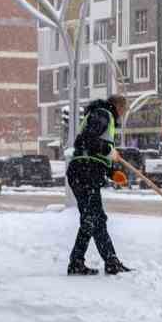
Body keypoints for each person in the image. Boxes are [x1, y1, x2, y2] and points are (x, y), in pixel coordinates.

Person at [65, 94, 132, 276]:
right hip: (85, 172)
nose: (123, 114)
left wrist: (112, 172)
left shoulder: (100, 114)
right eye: (124, 110)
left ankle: (77, 262)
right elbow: (87, 140)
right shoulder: (104, 114)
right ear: (118, 106)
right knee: (96, 219)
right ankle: (110, 262)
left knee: (90, 221)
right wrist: (107, 150)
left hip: (84, 171)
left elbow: (94, 149)